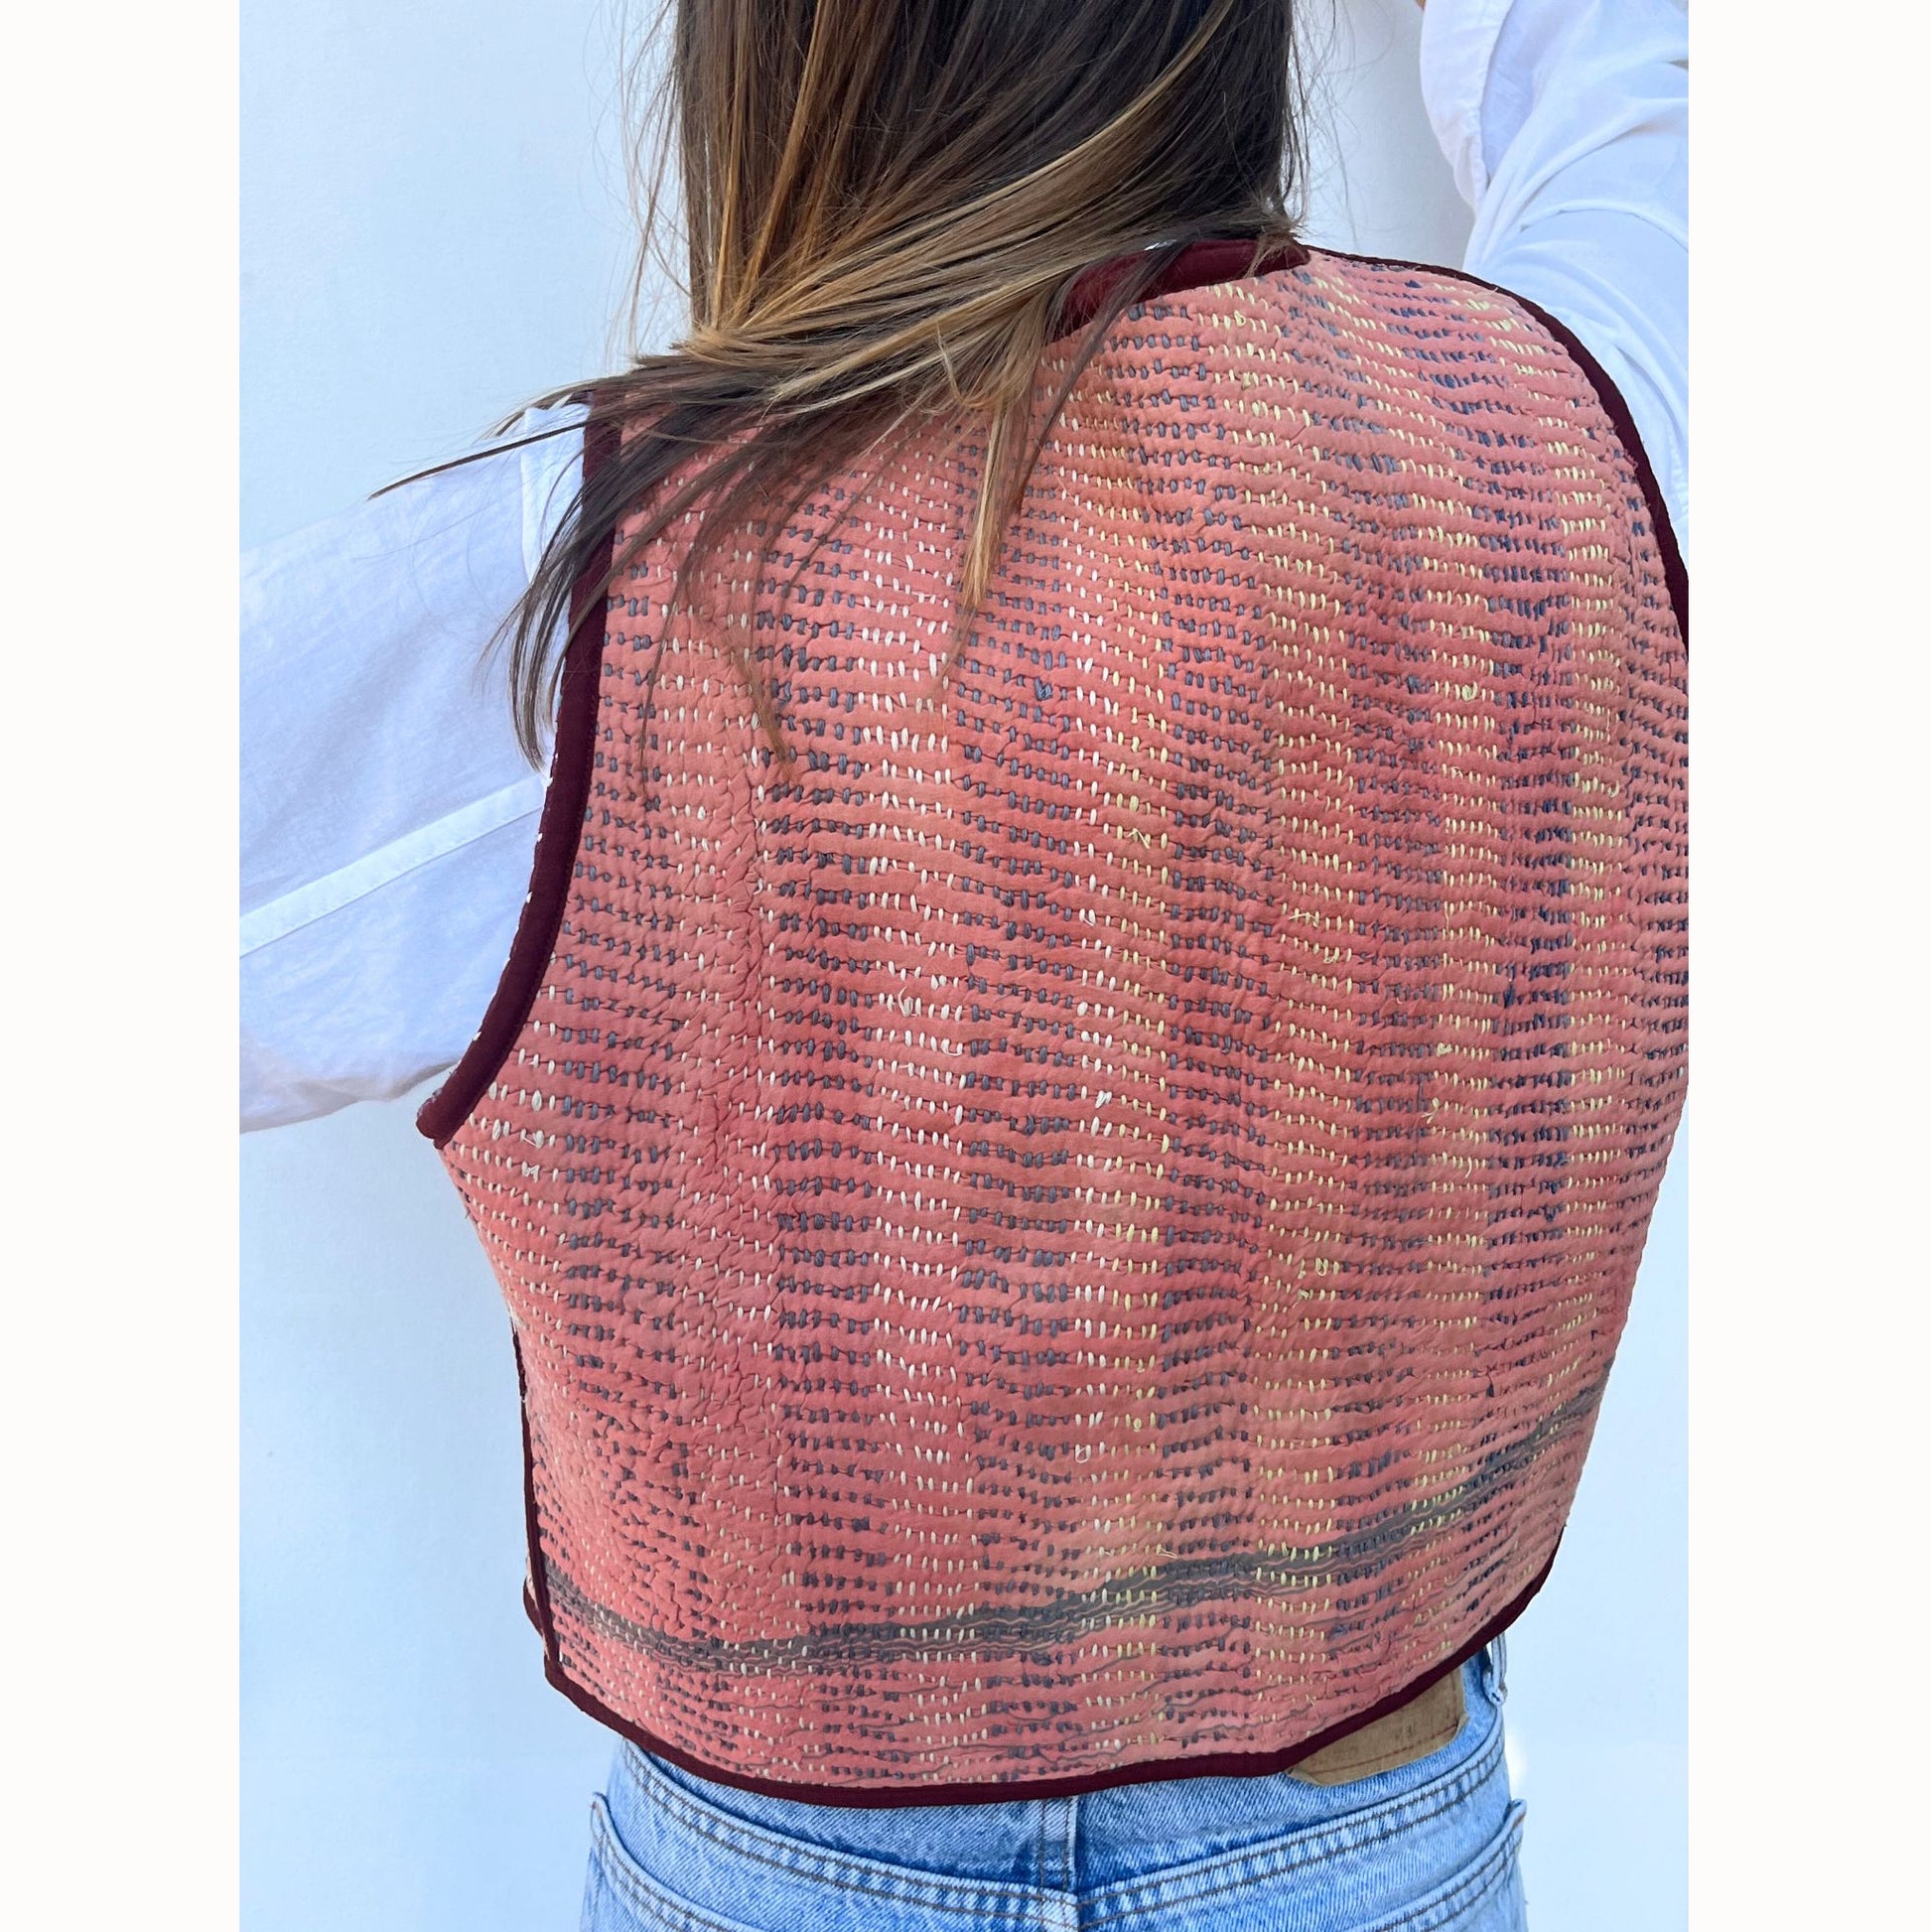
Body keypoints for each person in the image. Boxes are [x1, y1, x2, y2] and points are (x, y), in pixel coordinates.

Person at [241, 3, 1687, 1926]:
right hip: (1369, 1836)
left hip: (784, 1871)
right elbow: (1641, 102)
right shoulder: (1597, 419)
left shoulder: (570, 585)